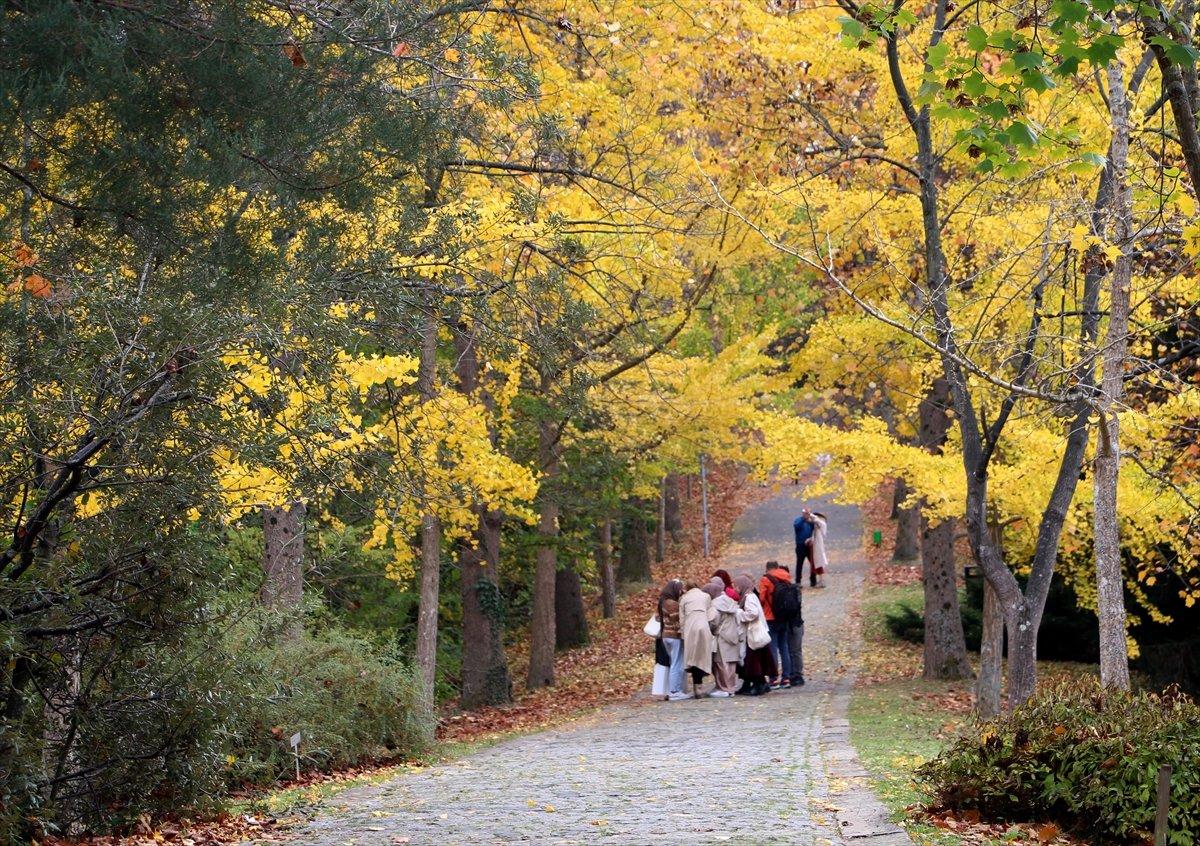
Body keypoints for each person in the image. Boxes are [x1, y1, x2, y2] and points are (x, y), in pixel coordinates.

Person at [759, 561, 799, 689]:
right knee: (784, 647)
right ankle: (786, 678)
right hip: (784, 617)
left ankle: (773, 678)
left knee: (772, 648)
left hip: (770, 617)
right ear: (776, 567)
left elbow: (761, 599)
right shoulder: (785, 576)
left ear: (767, 568)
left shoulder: (765, 579)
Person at [733, 574, 775, 696]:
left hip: (753, 633)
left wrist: (739, 613)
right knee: (754, 660)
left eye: (736, 586)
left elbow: (753, 613)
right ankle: (758, 684)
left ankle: (758, 685)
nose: (735, 589)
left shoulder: (749, 597)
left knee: (754, 661)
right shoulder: (747, 596)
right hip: (752, 634)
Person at [679, 580, 717, 699]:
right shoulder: (706, 596)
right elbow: (711, 615)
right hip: (703, 626)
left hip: (690, 627)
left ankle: (697, 687)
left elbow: (682, 618)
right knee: (702, 656)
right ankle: (700, 687)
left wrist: (683, 633)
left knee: (692, 657)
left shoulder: (684, 598)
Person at [706, 578, 741, 697]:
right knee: (731, 663)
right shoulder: (729, 601)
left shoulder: (715, 605)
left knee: (720, 663)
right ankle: (731, 686)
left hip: (721, 636)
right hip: (732, 634)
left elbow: (714, 622)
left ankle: (724, 688)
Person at [658, 579, 688, 701]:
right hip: (674, 636)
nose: (681, 592)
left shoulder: (663, 602)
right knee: (677, 663)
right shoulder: (673, 604)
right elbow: (677, 622)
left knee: (673, 663)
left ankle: (673, 689)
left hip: (665, 635)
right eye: (680, 589)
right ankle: (675, 691)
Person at [794, 509, 816, 588]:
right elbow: (797, 526)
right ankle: (798, 581)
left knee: (813, 563)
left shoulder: (810, 522)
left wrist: (812, 521)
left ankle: (813, 580)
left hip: (810, 545)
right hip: (800, 545)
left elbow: (815, 529)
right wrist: (804, 519)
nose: (806, 515)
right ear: (803, 513)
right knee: (800, 563)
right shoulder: (798, 520)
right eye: (805, 513)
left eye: (808, 513)